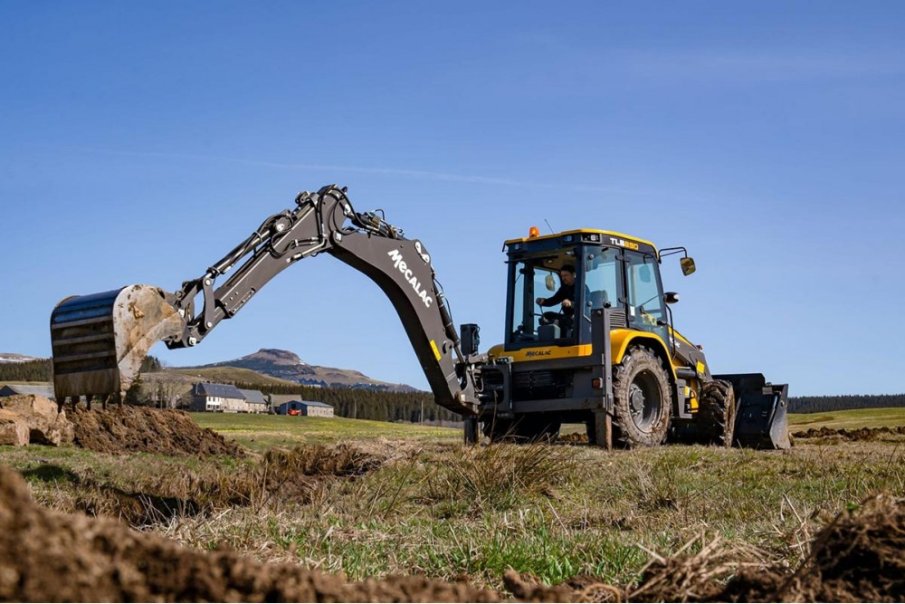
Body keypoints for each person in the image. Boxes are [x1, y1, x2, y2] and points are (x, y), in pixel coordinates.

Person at [536, 265, 578, 334]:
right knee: (547, 315)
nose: (563, 278)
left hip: (577, 318)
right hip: (566, 317)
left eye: (566, 275)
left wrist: (571, 303)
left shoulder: (582, 287)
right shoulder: (564, 289)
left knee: (563, 321)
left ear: (573, 275)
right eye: (562, 276)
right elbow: (554, 299)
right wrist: (544, 301)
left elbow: (584, 305)